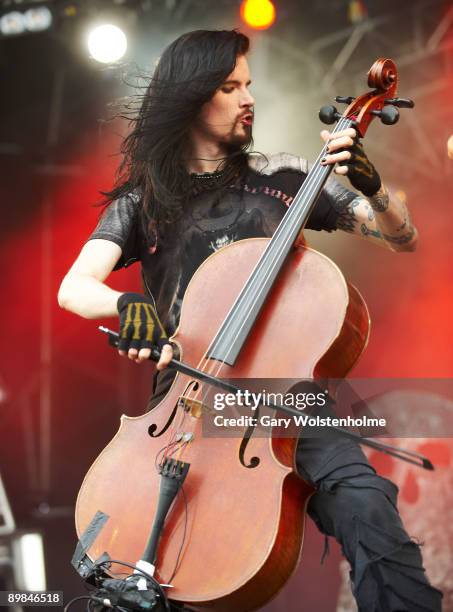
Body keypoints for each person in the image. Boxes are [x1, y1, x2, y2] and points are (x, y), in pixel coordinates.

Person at [58, 30, 442, 612]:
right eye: (229, 86)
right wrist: (125, 305)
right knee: (159, 572)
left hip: (289, 399)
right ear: (191, 98)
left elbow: (402, 238)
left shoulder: (285, 176)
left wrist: (376, 188)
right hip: (188, 402)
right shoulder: (144, 201)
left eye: (250, 84)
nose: (248, 98)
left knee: (368, 508)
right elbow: (74, 288)